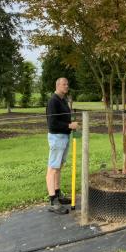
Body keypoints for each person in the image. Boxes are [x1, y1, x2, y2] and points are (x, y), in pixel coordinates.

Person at [46, 77, 78, 214]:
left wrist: (70, 126)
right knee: (52, 169)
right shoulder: (53, 101)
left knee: (59, 167)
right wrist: (69, 125)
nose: (66, 86)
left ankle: (58, 194)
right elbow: (52, 123)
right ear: (57, 85)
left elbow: (64, 117)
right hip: (57, 137)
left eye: (67, 84)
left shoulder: (63, 100)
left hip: (65, 136)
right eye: (64, 84)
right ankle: (53, 201)